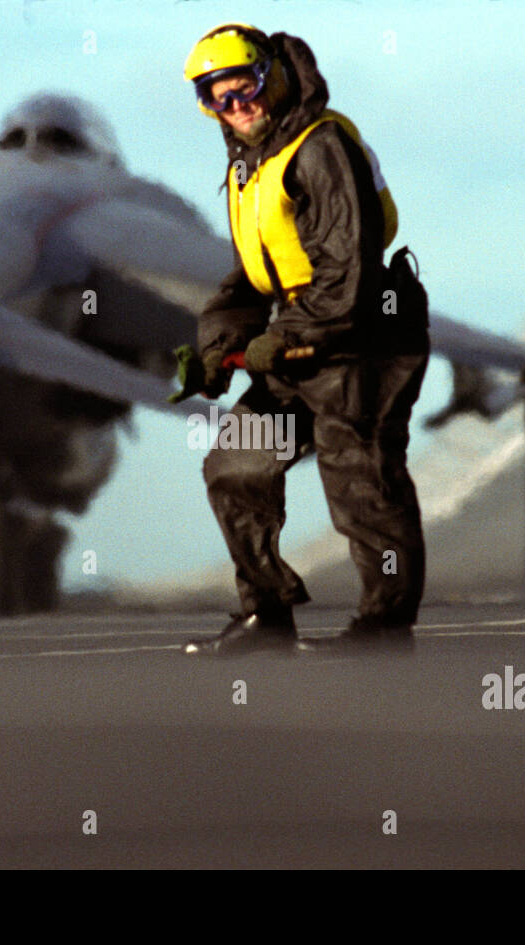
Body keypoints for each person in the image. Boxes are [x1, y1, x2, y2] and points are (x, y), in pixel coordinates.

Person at [179, 23, 430, 655]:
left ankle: (385, 627)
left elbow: (346, 273)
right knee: (237, 466)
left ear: (275, 76)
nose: (239, 108)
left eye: (247, 88)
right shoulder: (250, 163)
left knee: (362, 481)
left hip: (365, 337)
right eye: (220, 100)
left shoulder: (319, 147)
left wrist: (280, 340)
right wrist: (218, 348)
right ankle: (266, 616)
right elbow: (253, 275)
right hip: (301, 337)